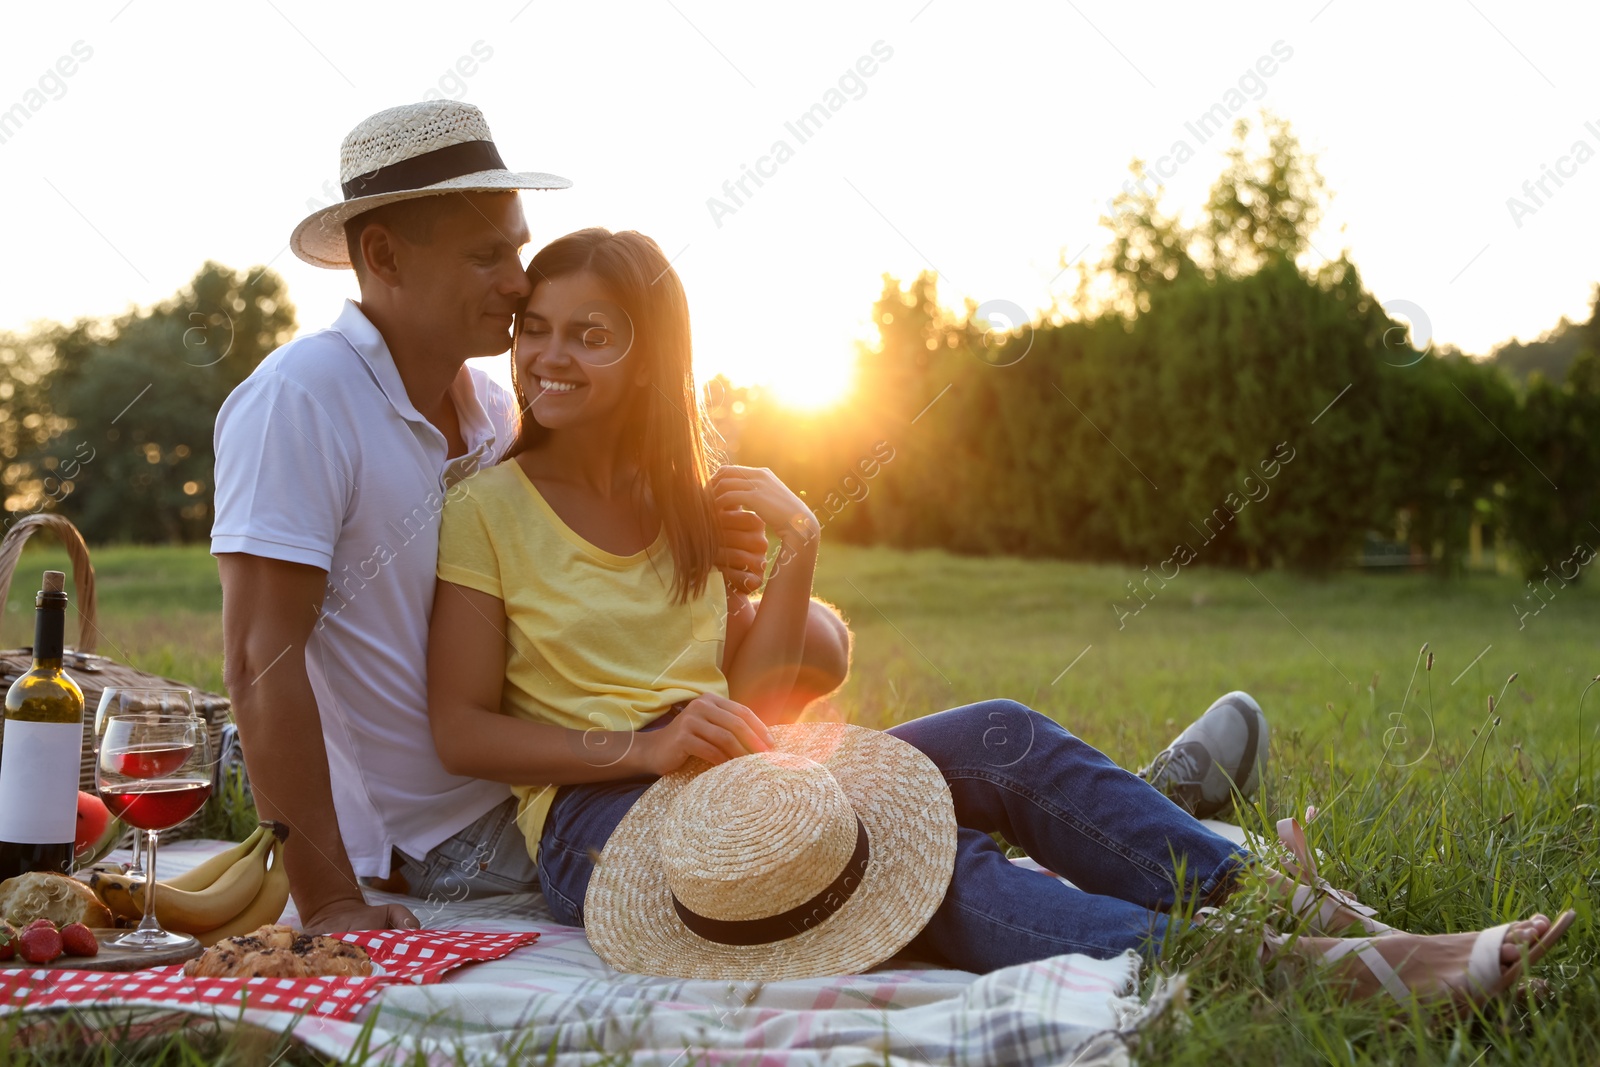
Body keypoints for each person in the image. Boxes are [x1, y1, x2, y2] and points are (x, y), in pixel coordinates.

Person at [426, 226, 1572, 1008]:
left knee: (998, 734)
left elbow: (768, 691)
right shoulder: (485, 508)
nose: (547, 355)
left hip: (736, 772)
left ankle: (1277, 896)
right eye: (535, 326)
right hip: (603, 822)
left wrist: (799, 548)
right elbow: (461, 728)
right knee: (918, 862)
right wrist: (643, 744)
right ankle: (1289, 969)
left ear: (647, 355)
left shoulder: (687, 504)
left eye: (589, 332)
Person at [211, 100, 850, 934]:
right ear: (382, 255)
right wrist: (329, 898)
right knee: (814, 851)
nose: (519, 279)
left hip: (573, 770)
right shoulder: (300, 400)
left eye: (516, 245)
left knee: (827, 681)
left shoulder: (491, 407)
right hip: (457, 831)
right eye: (487, 255)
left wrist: (713, 553)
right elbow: (259, 656)